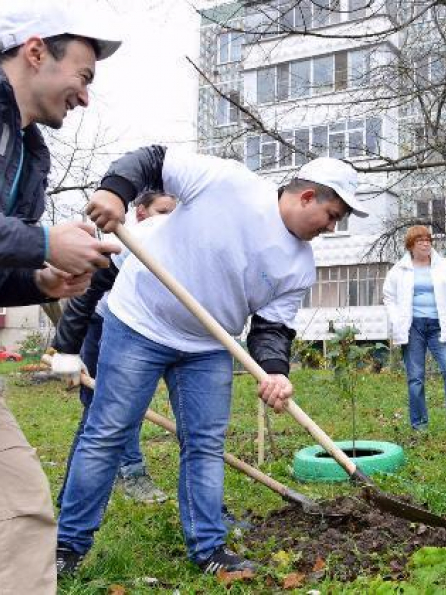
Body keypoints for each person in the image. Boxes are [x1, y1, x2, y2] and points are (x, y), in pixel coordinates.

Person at [56, 150, 367, 577]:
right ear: (307, 196)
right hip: (139, 324)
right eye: (332, 215)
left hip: (207, 347)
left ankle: (208, 550)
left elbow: (272, 329)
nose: (331, 227)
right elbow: (151, 160)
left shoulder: (299, 266)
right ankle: (65, 549)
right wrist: (115, 192)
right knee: (108, 433)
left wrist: (275, 370)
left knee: (204, 445)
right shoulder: (227, 183)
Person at [0, 4, 121, 593]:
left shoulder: (32, 155)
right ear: (36, 52)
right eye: (82, 76)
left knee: (20, 513)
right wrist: (40, 241)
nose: (84, 96)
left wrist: (37, 280)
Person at [53, 191, 177, 508]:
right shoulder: (126, 244)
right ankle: (80, 493)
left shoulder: (174, 245)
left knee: (120, 410)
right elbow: (84, 296)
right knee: (100, 412)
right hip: (101, 325)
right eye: (162, 210)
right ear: (140, 213)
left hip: (143, 332)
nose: (169, 218)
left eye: (174, 212)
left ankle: (117, 479)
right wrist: (66, 351)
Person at [383, 226, 446, 430]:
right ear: (410, 245)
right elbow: (389, 297)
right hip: (412, 327)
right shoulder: (399, 270)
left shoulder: (444, 267)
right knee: (415, 377)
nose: (425, 243)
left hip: (439, 326)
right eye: (419, 240)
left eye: (428, 240)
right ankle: (419, 425)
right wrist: (397, 321)